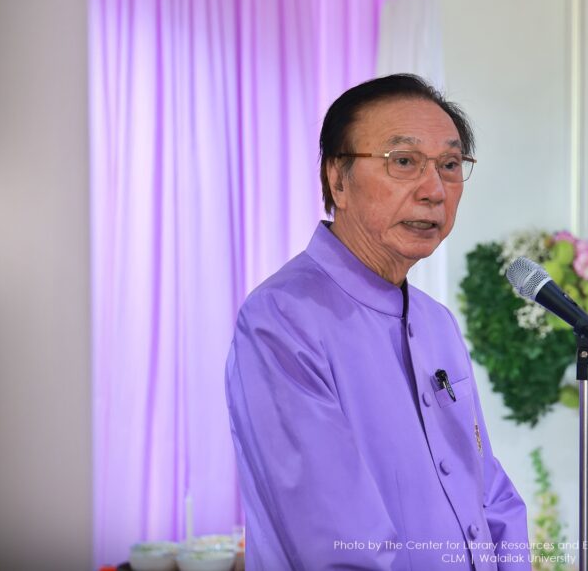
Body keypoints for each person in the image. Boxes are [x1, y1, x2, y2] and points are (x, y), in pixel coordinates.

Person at [225, 74, 530, 570]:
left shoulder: (437, 324)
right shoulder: (281, 319)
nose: (434, 189)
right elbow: (335, 542)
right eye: (403, 162)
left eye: (450, 165)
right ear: (337, 180)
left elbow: (489, 493)